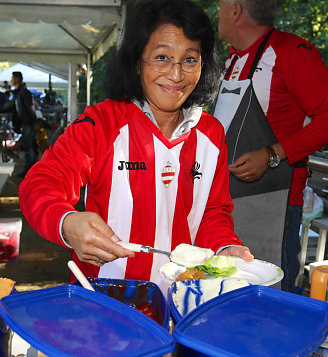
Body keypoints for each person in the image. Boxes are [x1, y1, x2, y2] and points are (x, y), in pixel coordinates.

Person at [19, 0, 253, 289]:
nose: (176, 74)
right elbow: (40, 184)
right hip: (104, 298)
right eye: (162, 58)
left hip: (183, 297)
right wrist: (67, 223)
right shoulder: (101, 124)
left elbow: (212, 213)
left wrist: (224, 248)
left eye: (190, 59)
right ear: (136, 63)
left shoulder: (211, 133)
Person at [213, 0, 328, 293]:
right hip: (223, 202)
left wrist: (272, 154)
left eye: (220, 5)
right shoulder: (232, 58)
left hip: (274, 202)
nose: (217, 12)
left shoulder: (292, 53)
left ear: (236, 10)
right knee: (225, 288)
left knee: (270, 291)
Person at [7, 72, 37, 176]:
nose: (11, 80)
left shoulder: (23, 92)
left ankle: (29, 170)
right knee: (28, 146)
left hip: (27, 122)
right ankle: (29, 170)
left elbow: (29, 108)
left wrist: (34, 122)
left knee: (28, 147)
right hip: (24, 122)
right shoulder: (18, 93)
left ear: (17, 79)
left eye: (12, 78)